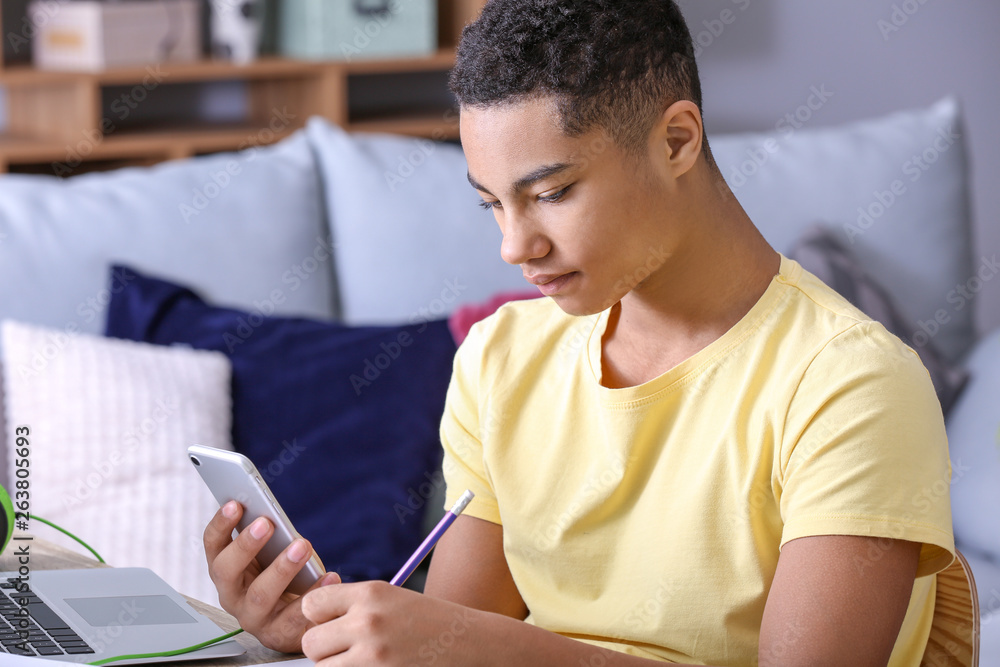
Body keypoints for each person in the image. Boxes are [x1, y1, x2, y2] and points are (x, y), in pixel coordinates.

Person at [202, 1, 955, 664]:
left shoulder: (850, 381)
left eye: (552, 192)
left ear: (677, 141)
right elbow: (456, 638)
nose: (514, 245)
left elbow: (473, 644)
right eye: (491, 203)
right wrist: (309, 629)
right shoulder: (501, 359)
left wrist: (475, 645)